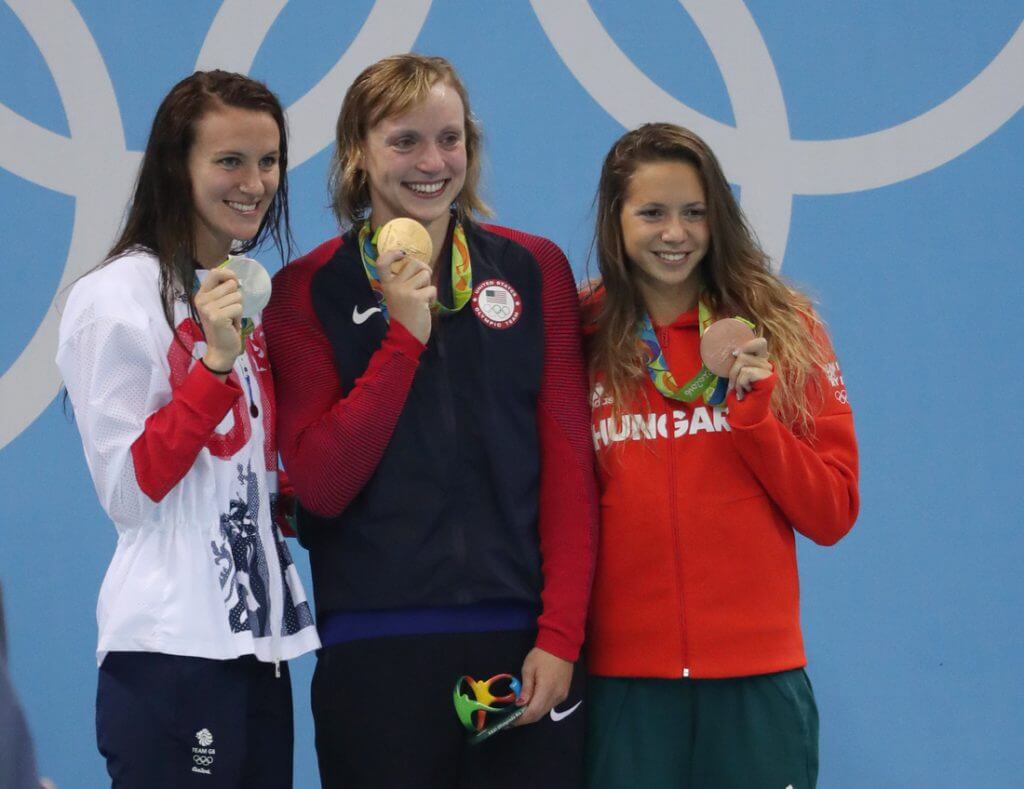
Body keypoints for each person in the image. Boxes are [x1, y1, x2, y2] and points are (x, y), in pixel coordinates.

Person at [263, 54, 597, 788]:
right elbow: (318, 484)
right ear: (357, 150)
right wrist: (403, 338)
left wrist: (561, 635)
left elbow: (571, 468)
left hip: (522, 648)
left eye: (449, 139)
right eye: (404, 140)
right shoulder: (306, 291)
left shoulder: (533, 270)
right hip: (377, 653)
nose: (432, 162)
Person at [56, 70, 320, 788]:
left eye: (268, 161)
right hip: (171, 652)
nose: (255, 182)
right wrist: (212, 366)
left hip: (255, 649)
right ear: (178, 165)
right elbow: (129, 490)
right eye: (229, 160)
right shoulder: (115, 298)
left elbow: (246, 481)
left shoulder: (238, 289)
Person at [581, 123, 860, 789]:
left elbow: (833, 511)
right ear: (616, 219)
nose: (674, 233)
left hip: (757, 683)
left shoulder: (782, 325)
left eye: (694, 212)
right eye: (651, 212)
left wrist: (756, 419)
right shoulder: (579, 329)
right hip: (626, 686)